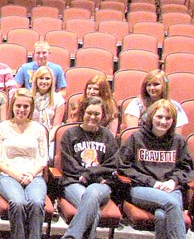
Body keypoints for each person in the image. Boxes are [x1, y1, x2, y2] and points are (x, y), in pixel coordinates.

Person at [118, 99, 193, 239]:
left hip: (171, 189)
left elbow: (187, 168)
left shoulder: (179, 141)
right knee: (171, 204)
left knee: (162, 215)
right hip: (141, 189)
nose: (163, 121)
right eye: (159, 117)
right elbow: (124, 167)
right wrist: (152, 183)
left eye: (168, 118)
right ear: (151, 116)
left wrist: (173, 181)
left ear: (173, 120)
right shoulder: (136, 138)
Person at [0, 88, 48, 239]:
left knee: (36, 203)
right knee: (17, 202)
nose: (21, 110)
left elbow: (43, 159)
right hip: (8, 175)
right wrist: (14, 174)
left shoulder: (39, 129)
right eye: (18, 106)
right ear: (12, 107)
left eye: (25, 106)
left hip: (34, 176)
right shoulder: (1, 128)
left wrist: (31, 174)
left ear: (31, 108)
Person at [60, 97, 119, 239]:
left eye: (97, 114)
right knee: (94, 211)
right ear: (83, 113)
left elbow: (113, 164)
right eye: (89, 113)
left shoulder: (108, 136)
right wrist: (93, 176)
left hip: (101, 186)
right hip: (74, 182)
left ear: (102, 115)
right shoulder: (70, 134)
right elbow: (69, 164)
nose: (93, 117)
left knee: (92, 192)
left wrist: (91, 175)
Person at [123, 69, 188, 134]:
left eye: (156, 84)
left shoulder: (175, 106)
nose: (151, 88)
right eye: (149, 85)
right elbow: (133, 134)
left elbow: (176, 136)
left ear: (164, 86)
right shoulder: (136, 103)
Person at [31, 66, 66, 141]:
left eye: (47, 79)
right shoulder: (28, 97)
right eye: (41, 78)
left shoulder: (58, 99)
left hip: (50, 137)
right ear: (36, 80)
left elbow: (56, 126)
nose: (44, 81)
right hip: (30, 135)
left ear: (52, 81)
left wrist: (47, 141)